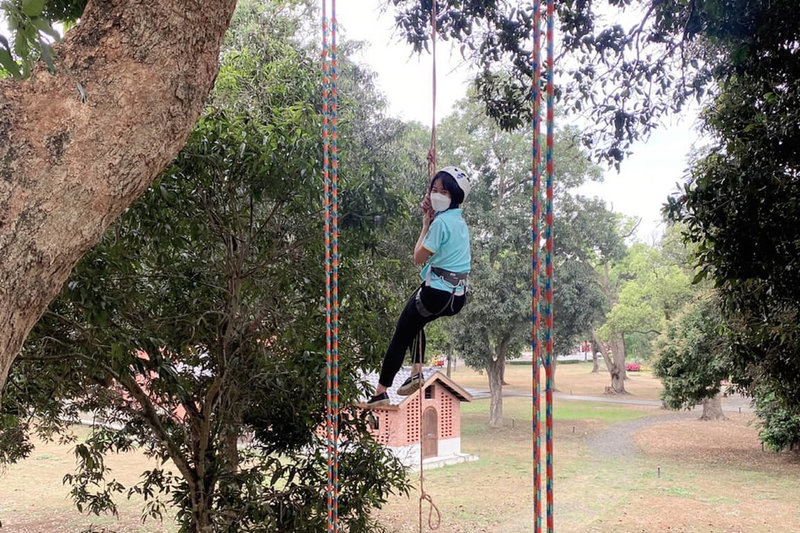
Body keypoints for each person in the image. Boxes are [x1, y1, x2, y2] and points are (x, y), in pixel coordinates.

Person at [365, 166, 475, 407]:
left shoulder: (440, 223)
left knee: (401, 334)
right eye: (434, 190)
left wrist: (425, 224)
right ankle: (416, 371)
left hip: (436, 293)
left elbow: (418, 257)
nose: (436, 195)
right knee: (417, 321)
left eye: (443, 192)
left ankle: (381, 392)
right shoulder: (459, 222)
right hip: (457, 297)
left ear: (454, 197)